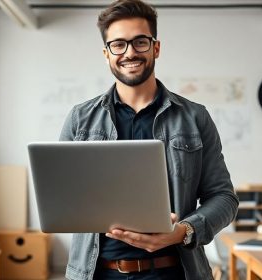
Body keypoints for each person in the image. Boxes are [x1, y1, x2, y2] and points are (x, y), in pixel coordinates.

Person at [59, 0, 239, 279]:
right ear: (106, 53)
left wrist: (182, 231)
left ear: (156, 47)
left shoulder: (195, 117)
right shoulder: (80, 119)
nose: (129, 53)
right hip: (98, 273)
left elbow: (224, 198)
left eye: (140, 42)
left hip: (175, 272)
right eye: (118, 44)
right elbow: (62, 199)